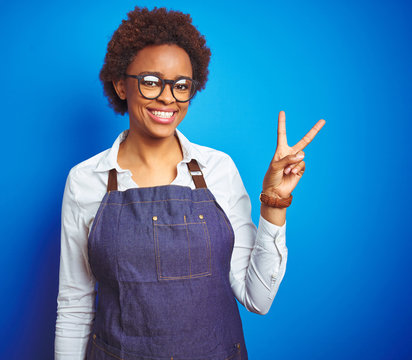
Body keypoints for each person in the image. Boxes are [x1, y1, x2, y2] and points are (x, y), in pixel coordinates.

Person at [55, 7, 325, 359]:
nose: (168, 97)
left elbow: (257, 299)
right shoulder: (84, 181)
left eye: (181, 85)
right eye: (151, 81)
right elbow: (75, 306)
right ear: (122, 84)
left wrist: (273, 203)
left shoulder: (218, 169)